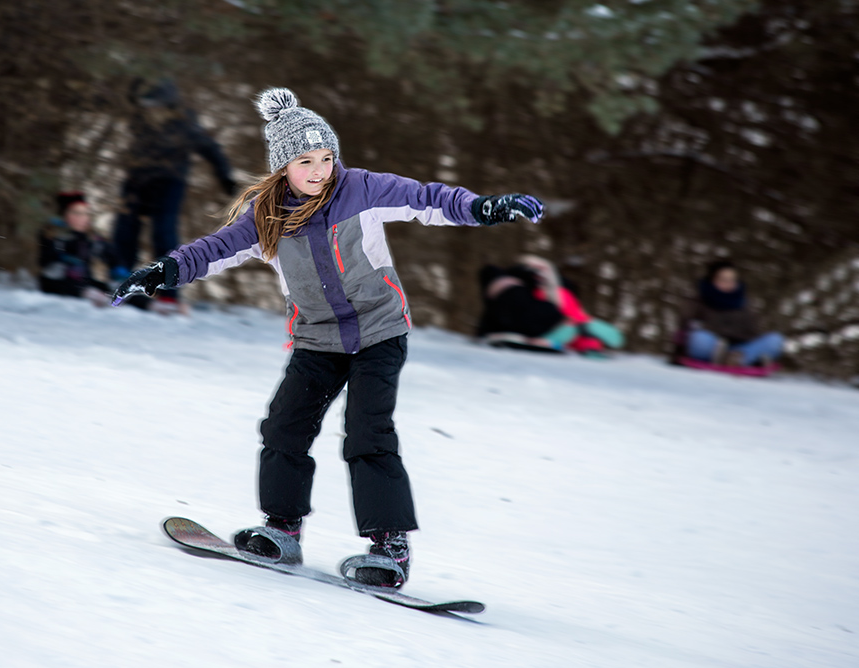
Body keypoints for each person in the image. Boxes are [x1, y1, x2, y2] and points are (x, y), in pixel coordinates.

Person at [111, 87, 543, 588]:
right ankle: (282, 528)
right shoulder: (265, 214)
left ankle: (390, 547)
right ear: (282, 166)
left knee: (368, 435)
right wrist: (163, 271)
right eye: (304, 160)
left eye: (326, 157)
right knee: (284, 428)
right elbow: (215, 248)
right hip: (317, 339)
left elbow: (428, 198)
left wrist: (484, 208)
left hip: (379, 332)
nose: (319, 170)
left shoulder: (361, 188)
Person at [112, 78, 237, 311]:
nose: (149, 111)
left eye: (154, 106)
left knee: (164, 232)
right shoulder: (139, 116)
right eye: (145, 106)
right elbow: (125, 99)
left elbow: (210, 148)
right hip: (137, 177)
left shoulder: (185, 124)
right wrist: (135, 81)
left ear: (167, 105)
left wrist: (225, 177)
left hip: (169, 181)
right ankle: (120, 274)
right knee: (125, 226)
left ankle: (169, 289)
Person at [477, 255, 624, 355]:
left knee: (573, 325)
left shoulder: (531, 288)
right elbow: (614, 338)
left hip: (516, 319)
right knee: (575, 325)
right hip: (543, 322)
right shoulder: (558, 293)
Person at [676, 259, 784, 367]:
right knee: (699, 338)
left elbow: (755, 332)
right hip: (711, 345)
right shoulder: (699, 301)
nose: (729, 284)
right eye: (724, 279)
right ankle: (729, 357)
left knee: (775, 340)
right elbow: (684, 330)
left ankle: (737, 359)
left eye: (732, 280)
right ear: (712, 280)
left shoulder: (744, 303)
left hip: (740, 349)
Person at [38, 191, 117, 306]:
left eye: (85, 214)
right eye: (76, 213)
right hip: (58, 283)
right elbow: (44, 261)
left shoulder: (90, 238)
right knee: (80, 285)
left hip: (84, 282)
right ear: (65, 215)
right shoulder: (54, 234)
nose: (82, 218)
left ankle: (147, 305)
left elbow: (110, 254)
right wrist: (61, 257)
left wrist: (117, 267)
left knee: (118, 288)